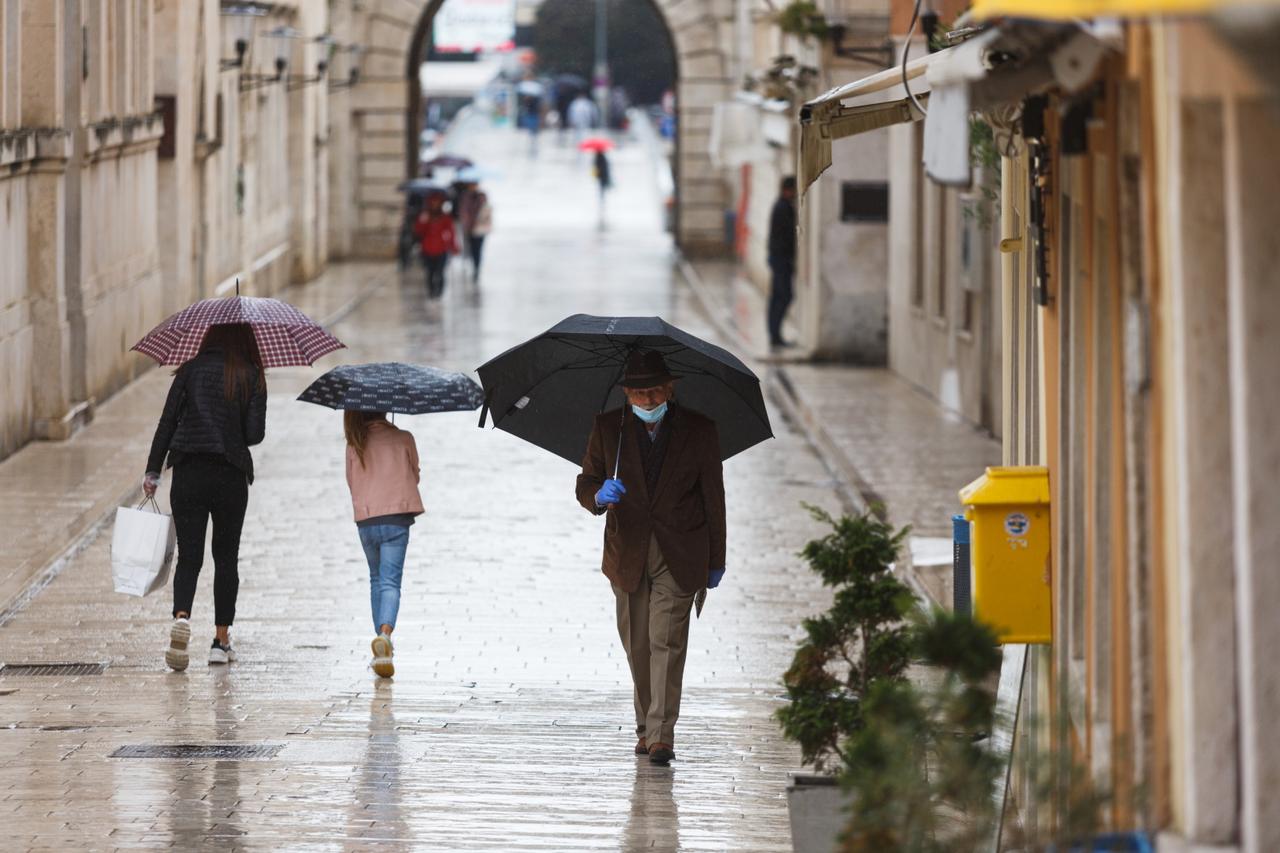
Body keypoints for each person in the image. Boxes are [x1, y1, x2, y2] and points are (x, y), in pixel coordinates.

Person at [575, 350, 727, 767]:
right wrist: (598, 497)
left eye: (653, 392)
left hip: (680, 552)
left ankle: (661, 735)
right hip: (628, 552)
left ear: (669, 388)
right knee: (637, 645)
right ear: (626, 394)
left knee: (667, 641)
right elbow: (585, 482)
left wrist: (716, 558)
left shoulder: (700, 431)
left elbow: (714, 497)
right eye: (638, 393)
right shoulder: (609, 429)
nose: (646, 401)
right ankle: (645, 727)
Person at [144, 323, 267, 671]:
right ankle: (220, 641)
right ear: (246, 340)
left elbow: (166, 423)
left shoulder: (189, 371)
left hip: (189, 473)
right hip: (229, 475)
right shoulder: (251, 374)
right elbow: (254, 435)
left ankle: (182, 619)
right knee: (226, 559)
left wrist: (153, 471)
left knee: (189, 557)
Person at [343, 411, 424, 679]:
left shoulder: (355, 443)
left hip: (366, 520)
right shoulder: (403, 438)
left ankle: (382, 645)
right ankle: (384, 636)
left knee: (376, 579)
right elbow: (415, 474)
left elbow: (351, 482)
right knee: (390, 582)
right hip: (396, 518)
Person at [767, 175, 798, 349]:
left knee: (779, 297)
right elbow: (786, 237)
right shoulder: (783, 207)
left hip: (778, 258)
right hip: (781, 259)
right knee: (783, 296)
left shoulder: (782, 206)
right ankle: (775, 335)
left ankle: (775, 334)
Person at [414, 191, 457, 299]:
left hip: (441, 248)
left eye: (437, 202)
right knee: (430, 272)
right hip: (427, 248)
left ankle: (440, 291)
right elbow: (419, 232)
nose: (435, 205)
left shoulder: (445, 217)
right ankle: (431, 290)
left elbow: (451, 233)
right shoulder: (425, 216)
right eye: (433, 202)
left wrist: (453, 246)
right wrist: (423, 221)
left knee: (440, 271)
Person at [458, 183, 492, 280]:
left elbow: (486, 210)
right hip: (469, 228)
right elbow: (463, 211)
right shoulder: (465, 197)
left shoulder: (482, 197)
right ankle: (474, 266)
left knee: (478, 249)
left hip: (480, 228)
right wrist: (467, 223)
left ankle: (477, 268)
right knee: (472, 249)